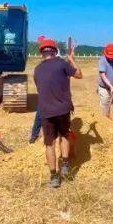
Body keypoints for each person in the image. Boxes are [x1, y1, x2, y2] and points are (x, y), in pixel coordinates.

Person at [33, 37, 82, 188]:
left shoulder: (37, 69)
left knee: (49, 143)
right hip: (62, 110)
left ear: (42, 53)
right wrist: (71, 59)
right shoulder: (62, 64)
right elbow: (79, 75)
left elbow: (40, 88)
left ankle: (54, 176)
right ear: (55, 51)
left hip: (46, 111)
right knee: (65, 135)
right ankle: (66, 164)